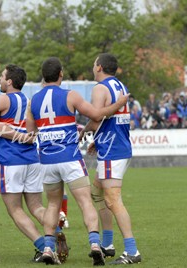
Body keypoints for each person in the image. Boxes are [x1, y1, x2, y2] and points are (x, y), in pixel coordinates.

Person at [27, 57, 128, 265]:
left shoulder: (33, 100)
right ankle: (94, 244)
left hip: (47, 160)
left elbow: (30, 132)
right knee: (85, 202)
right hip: (70, 158)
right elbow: (97, 114)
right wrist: (118, 104)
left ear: (43, 76)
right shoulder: (70, 95)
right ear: (61, 74)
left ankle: (47, 248)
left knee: (53, 203)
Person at [0, 64, 58, 262]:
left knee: (15, 209)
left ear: (9, 81)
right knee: (36, 207)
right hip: (32, 160)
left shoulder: (3, 99)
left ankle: (44, 247)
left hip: (11, 162)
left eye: (2, 76)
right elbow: (30, 130)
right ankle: (56, 234)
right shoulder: (27, 100)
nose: (0, 79)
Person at [82, 53, 142, 264]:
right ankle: (107, 244)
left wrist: (86, 132)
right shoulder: (120, 86)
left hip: (112, 151)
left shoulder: (100, 88)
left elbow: (96, 115)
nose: (92, 66)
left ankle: (132, 250)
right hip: (117, 147)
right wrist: (96, 138)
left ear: (99, 67)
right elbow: (108, 119)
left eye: (93, 63)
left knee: (113, 200)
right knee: (97, 193)